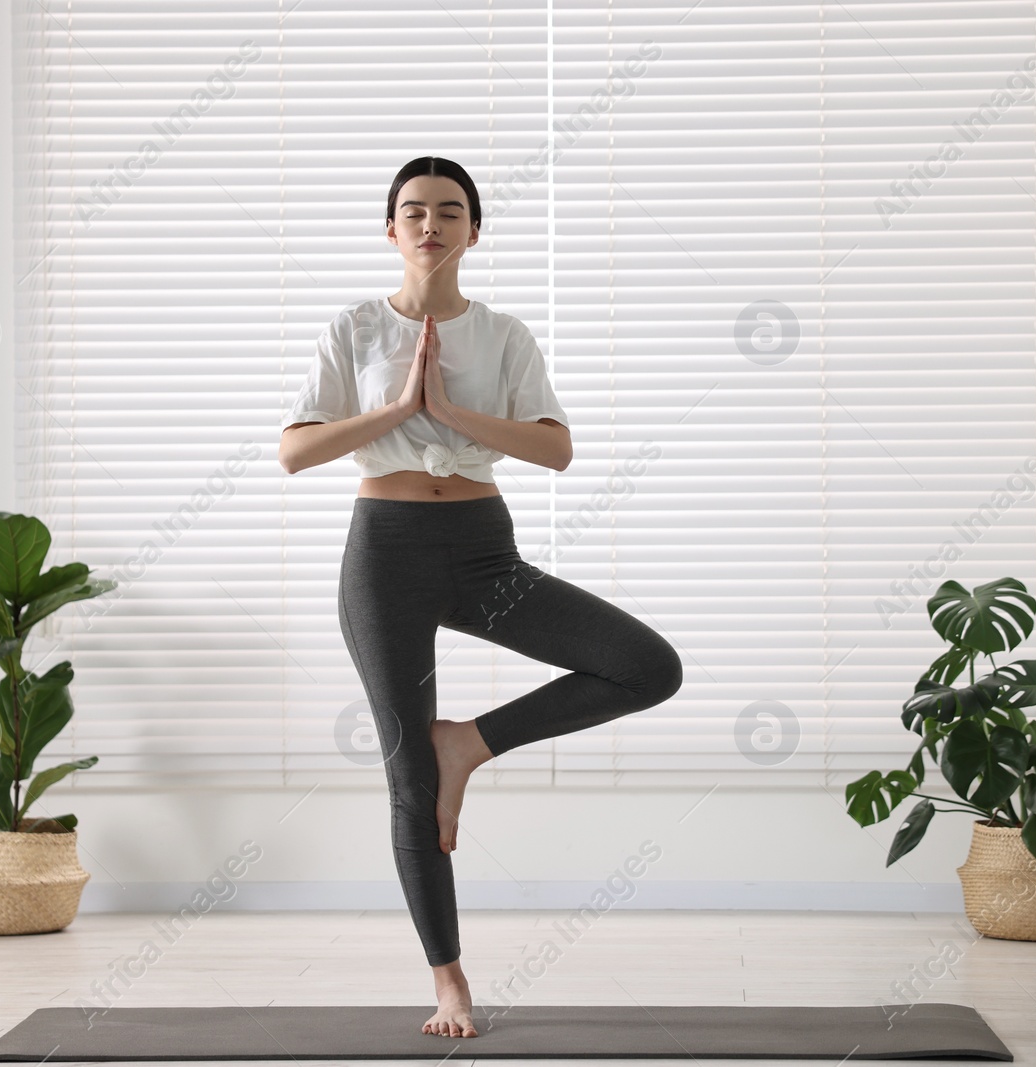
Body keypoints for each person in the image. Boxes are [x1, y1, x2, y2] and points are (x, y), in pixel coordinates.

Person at [277, 156, 683, 1039]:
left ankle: (472, 741)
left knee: (649, 666)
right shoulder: (352, 327)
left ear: (472, 230)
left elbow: (555, 450)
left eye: (449, 211)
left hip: (483, 555)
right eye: (413, 211)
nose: (430, 224)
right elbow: (295, 451)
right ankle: (449, 979)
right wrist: (397, 410)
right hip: (384, 557)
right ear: (390, 229)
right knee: (406, 775)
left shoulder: (504, 336)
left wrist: (453, 413)